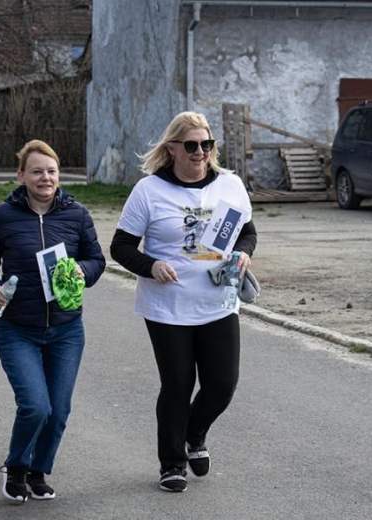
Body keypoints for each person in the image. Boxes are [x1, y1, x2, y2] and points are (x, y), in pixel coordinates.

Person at [110, 111, 257, 493]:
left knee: (222, 384)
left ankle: (194, 433)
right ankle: (172, 463)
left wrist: (243, 253)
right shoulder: (149, 191)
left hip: (219, 300)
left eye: (206, 145)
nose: (200, 152)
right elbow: (121, 247)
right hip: (167, 306)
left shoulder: (230, 185)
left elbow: (248, 231)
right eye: (191, 145)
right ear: (172, 148)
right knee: (177, 383)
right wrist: (151, 265)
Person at [0, 139, 106, 503]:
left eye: (51, 171)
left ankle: (38, 471)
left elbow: (98, 260)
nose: (45, 178)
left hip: (66, 330)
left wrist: (83, 269)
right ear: (21, 175)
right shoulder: (3, 216)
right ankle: (16, 466)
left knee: (59, 410)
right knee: (35, 405)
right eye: (36, 171)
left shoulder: (76, 215)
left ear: (59, 175)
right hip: (18, 329)